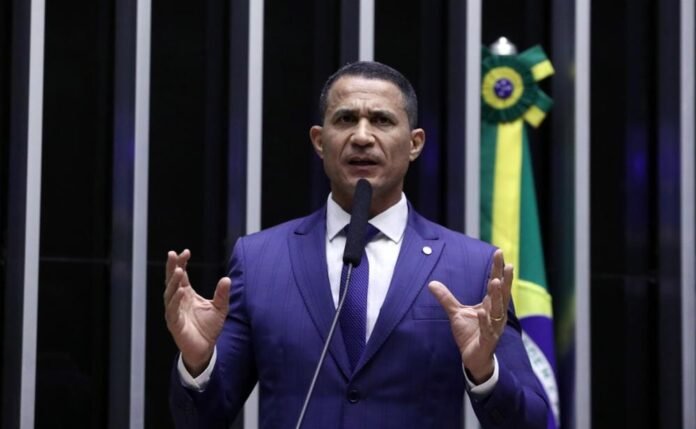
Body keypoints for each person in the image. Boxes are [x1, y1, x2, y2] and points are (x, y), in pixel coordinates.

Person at [165, 61, 551, 428]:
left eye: (382, 120)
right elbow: (200, 421)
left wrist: (484, 371)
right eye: (346, 119)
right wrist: (197, 364)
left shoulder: (471, 266)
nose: (362, 137)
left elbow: (532, 421)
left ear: (415, 143)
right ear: (319, 141)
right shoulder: (261, 260)